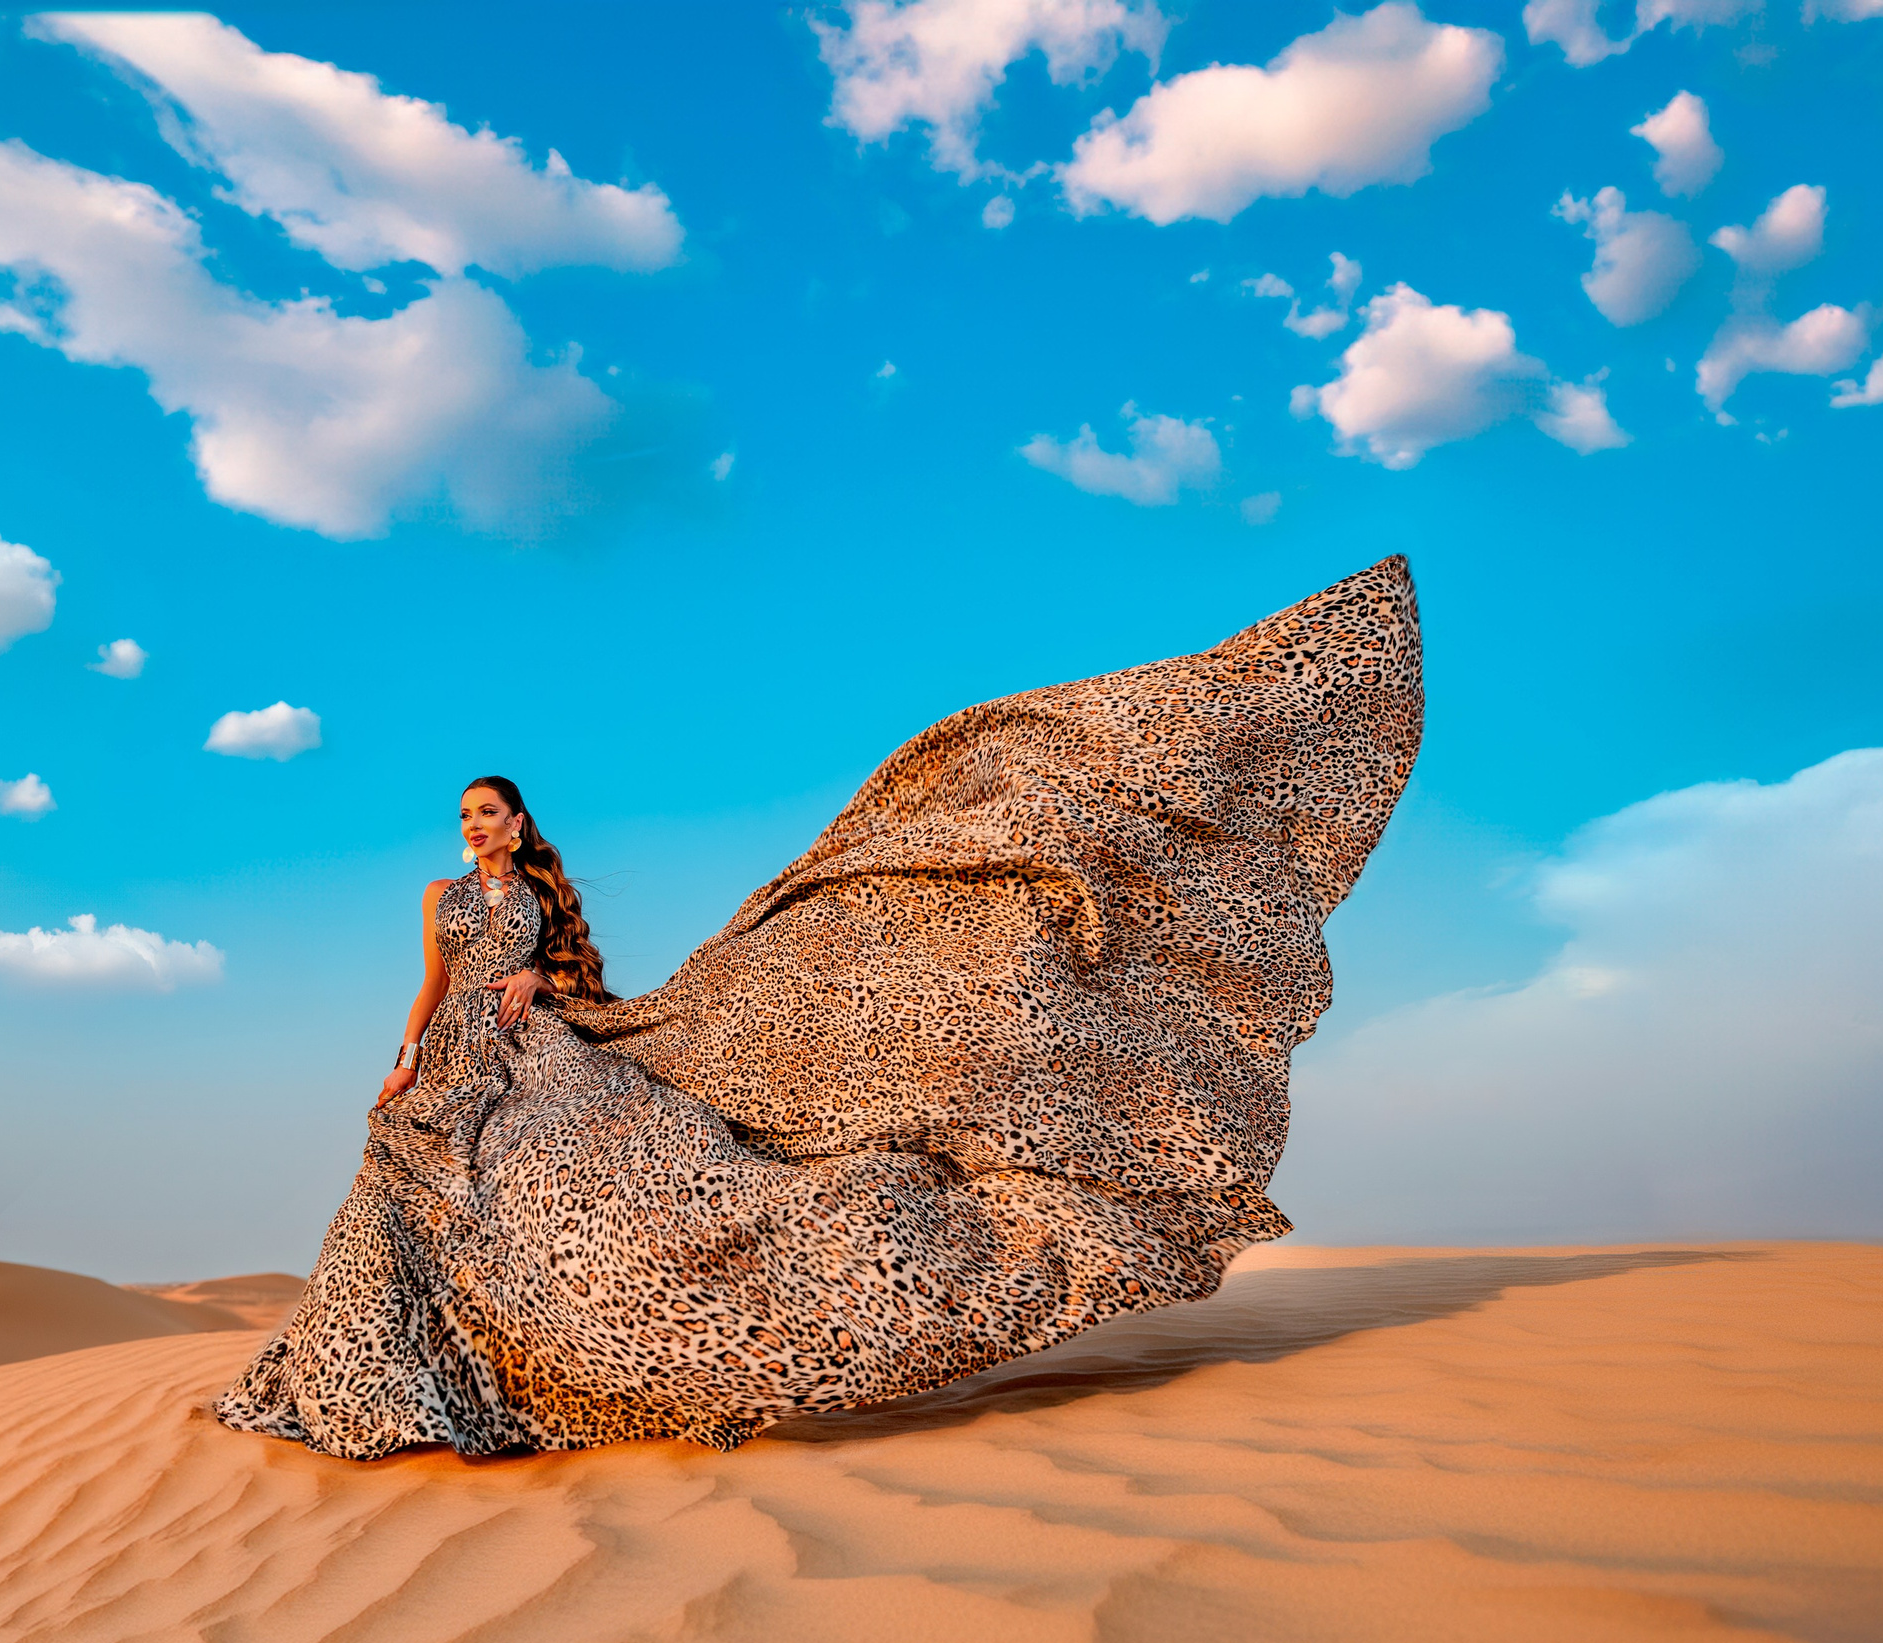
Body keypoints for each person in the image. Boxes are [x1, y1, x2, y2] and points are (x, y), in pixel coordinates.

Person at [215, 556, 1424, 1458]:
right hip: (454, 1058)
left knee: (621, 1179)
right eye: (465, 814)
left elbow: (575, 974)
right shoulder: (436, 894)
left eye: (491, 813)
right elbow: (427, 984)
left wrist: (550, 983)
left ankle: (609, 1361)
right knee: (401, 1177)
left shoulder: (542, 895)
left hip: (542, 1046)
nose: (475, 826)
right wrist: (402, 1056)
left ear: (521, 825)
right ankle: (403, 1376)